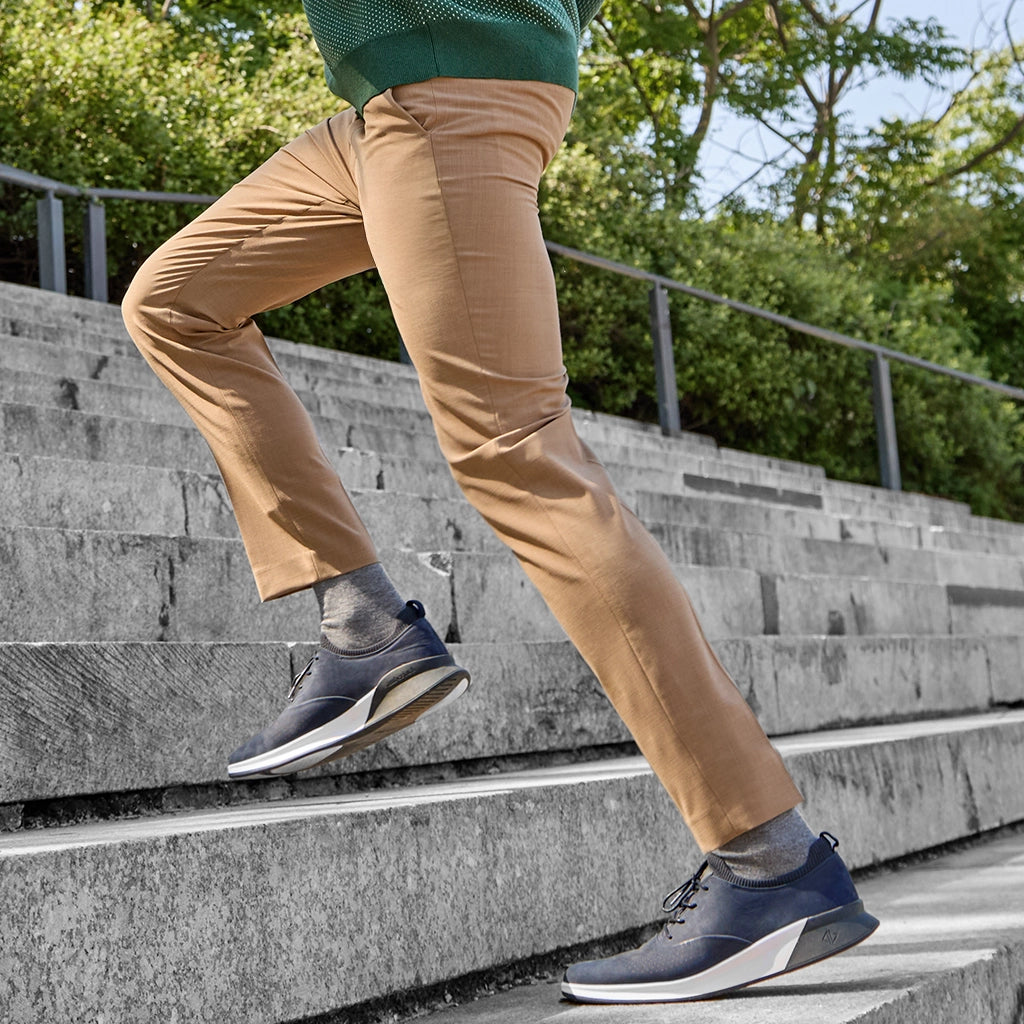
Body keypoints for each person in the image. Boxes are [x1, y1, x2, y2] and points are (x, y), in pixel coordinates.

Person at [120, 0, 878, 1003]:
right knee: (175, 302)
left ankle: (770, 862)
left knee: (517, 452)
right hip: (390, 106)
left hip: (451, 85)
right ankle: (363, 628)